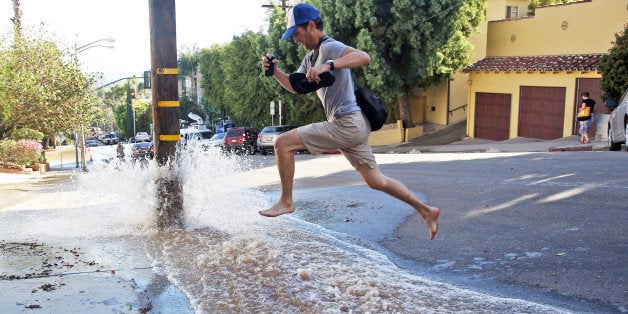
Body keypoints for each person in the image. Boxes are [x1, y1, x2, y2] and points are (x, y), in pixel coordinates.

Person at [260, 3, 439, 240]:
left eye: (297, 33)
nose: (295, 39)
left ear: (311, 25)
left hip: (347, 123)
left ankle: (286, 201)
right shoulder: (310, 57)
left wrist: (329, 64)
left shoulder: (331, 47)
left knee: (282, 143)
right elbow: (295, 86)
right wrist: (276, 73)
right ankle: (426, 210)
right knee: (376, 181)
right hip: (352, 125)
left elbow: (363, 57)